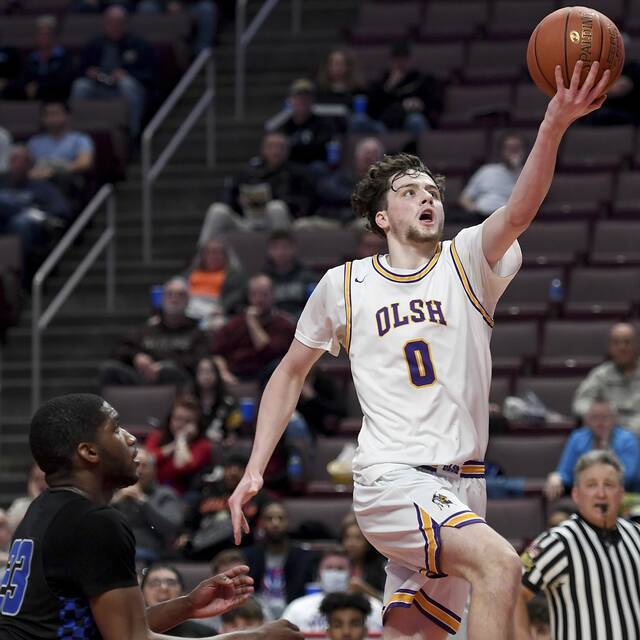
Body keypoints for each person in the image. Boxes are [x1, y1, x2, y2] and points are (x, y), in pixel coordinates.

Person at [228, 59, 611, 640]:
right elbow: (289, 374)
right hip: (393, 478)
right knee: (502, 563)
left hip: (464, 485)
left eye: (432, 191)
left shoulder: (467, 262)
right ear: (383, 215)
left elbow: (521, 209)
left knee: (416, 630)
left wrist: (552, 126)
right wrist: (254, 468)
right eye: (410, 192)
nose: (427, 199)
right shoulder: (345, 283)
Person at [0, 393, 304, 640]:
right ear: (89, 452)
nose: (132, 438)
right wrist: (253, 638)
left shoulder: (40, 510)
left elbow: (105, 627)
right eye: (116, 428)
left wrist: (186, 605)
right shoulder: (94, 522)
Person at [514, 450, 640, 640]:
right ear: (575, 494)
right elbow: (514, 590)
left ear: (621, 493)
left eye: (609, 484)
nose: (601, 493)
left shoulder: (636, 535)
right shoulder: (556, 542)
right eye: (591, 485)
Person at [198, 132, 311, 243]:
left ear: (287, 151)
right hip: (249, 220)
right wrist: (237, 201)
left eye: (280, 147)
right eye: (271, 147)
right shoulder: (249, 170)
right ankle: (201, 255)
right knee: (217, 210)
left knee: (276, 207)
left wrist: (272, 197)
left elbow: (304, 203)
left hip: (278, 222)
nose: (276, 151)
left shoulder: (297, 173)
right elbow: (228, 192)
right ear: (263, 150)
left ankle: (281, 254)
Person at [100, 276, 210, 389]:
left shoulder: (197, 333)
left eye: (180, 295)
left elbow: (199, 361)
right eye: (169, 294)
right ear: (162, 299)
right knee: (109, 369)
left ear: (188, 301)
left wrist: (161, 366)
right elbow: (119, 350)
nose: (174, 299)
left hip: (177, 386)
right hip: (143, 382)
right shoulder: (146, 330)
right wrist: (136, 357)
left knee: (168, 370)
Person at [70, 5, 156, 137]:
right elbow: (78, 71)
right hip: (99, 85)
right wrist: (90, 73)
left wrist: (127, 74)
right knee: (80, 86)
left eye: (119, 23)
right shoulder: (94, 44)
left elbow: (149, 75)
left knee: (127, 84)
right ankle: (75, 131)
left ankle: (133, 133)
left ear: (126, 24)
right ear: (105, 24)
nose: (115, 27)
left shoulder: (139, 45)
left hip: (123, 88)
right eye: (110, 23)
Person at [180, 450, 271, 560]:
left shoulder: (257, 494)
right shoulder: (208, 491)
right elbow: (190, 521)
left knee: (231, 525)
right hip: (205, 546)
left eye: (239, 468)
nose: (233, 472)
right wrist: (185, 534)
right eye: (229, 467)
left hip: (241, 548)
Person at [0, 145, 72, 279]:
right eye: (12, 160)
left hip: (29, 231)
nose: (14, 164)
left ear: (28, 164)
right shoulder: (2, 183)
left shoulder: (41, 187)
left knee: (21, 221)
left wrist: (41, 213)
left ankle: (21, 281)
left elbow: (62, 209)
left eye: (18, 160)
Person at [544, 399, 640, 499]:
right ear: (586, 420)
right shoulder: (578, 438)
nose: (600, 423)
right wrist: (558, 477)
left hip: (624, 497)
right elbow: (566, 472)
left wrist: (605, 448)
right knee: (562, 513)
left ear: (614, 419)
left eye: (605, 417)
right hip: (586, 498)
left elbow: (628, 477)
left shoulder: (627, 439)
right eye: (595, 418)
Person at [212, 274, 296, 386]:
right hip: (236, 376)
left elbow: (267, 350)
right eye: (254, 294)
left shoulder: (284, 325)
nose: (259, 299)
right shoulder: (235, 324)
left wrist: (252, 323)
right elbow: (217, 353)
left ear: (273, 295)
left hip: (269, 379)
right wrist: (224, 373)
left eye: (264, 294)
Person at [242, 501, 318, 618]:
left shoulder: (304, 558)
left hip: (294, 614)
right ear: (261, 523)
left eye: (280, 518)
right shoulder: (249, 556)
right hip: (257, 617)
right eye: (269, 518)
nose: (275, 523)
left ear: (288, 522)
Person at [280, 549, 383, 634]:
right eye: (329, 568)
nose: (334, 572)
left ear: (351, 573)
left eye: (340, 569)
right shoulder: (298, 608)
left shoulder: (374, 607)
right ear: (319, 573)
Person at [112, 448, 185, 563]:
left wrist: (143, 501)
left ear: (154, 470)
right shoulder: (113, 493)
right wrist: (116, 501)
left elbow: (171, 527)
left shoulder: (165, 494)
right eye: (134, 464)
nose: (139, 470)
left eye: (144, 466)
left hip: (153, 555)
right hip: (115, 552)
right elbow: (96, 522)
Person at [573, 322, 640, 433]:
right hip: (610, 437)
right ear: (610, 347)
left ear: (637, 345)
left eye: (627, 342)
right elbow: (580, 404)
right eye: (616, 343)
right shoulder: (600, 375)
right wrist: (601, 417)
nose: (622, 347)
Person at [366, 41, 441, 133]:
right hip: (386, 121)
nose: (400, 63)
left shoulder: (423, 80)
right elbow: (373, 109)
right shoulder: (382, 81)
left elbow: (435, 105)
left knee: (416, 120)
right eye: (397, 59)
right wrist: (389, 85)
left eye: (404, 59)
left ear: (411, 59)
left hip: (411, 119)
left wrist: (421, 105)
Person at [27, 101, 95, 202]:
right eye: (47, 114)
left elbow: (84, 163)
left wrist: (54, 172)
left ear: (67, 116)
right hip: (38, 180)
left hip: (68, 181)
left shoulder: (80, 139)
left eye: (55, 113)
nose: (51, 118)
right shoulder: (34, 142)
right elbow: (26, 167)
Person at [145, 395, 213, 495]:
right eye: (177, 419)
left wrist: (181, 439)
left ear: (197, 424)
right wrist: (173, 445)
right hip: (150, 490)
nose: (181, 424)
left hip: (181, 497)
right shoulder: (157, 436)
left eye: (188, 421)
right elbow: (148, 459)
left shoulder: (202, 445)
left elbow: (181, 465)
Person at [458, 133, 526, 223]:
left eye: (516, 149)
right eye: (509, 148)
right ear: (502, 151)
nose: (512, 152)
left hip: (506, 218)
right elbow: (464, 198)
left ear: (523, 151)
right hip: (479, 216)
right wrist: (473, 209)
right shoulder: (487, 170)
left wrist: (516, 171)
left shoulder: (527, 174)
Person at [315, 136, 385, 224]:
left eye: (373, 153)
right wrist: (359, 197)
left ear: (381, 160)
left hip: (361, 221)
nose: (369, 157)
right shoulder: (344, 175)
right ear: (356, 156)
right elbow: (326, 190)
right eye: (366, 153)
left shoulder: (383, 182)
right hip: (332, 217)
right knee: (303, 225)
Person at [187, 239, 247, 329]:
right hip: (189, 307)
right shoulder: (192, 272)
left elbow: (237, 295)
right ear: (203, 255)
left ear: (225, 256)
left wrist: (223, 308)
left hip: (215, 309)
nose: (213, 256)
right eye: (209, 252)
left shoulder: (233, 275)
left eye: (217, 253)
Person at [141, 564, 213, 637]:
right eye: (155, 583)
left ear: (182, 593)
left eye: (171, 583)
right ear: (142, 594)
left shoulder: (205, 634)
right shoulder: (131, 631)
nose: (163, 587)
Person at [277, 79, 336, 166]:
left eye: (306, 97)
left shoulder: (323, 123)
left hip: (314, 166)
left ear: (312, 100)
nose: (302, 100)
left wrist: (294, 149)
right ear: (291, 101)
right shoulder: (285, 125)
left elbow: (319, 150)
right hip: (291, 166)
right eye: (299, 97)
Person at [263, 231, 317, 318]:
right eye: (275, 248)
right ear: (269, 251)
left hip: (301, 324)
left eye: (285, 247)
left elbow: (316, 305)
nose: (280, 252)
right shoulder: (263, 278)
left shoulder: (307, 276)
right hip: (271, 325)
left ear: (294, 249)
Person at [19, 15, 74, 101]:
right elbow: (24, 79)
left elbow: (64, 82)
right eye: (40, 34)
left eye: (46, 34)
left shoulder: (65, 57)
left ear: (54, 36)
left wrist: (39, 86)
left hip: (58, 99)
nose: (43, 38)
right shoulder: (30, 58)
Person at [193, 356, 242, 444]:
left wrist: (231, 437)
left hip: (222, 443)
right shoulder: (190, 400)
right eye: (202, 372)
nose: (206, 376)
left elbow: (235, 426)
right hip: (197, 443)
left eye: (210, 371)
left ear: (217, 374)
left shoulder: (228, 400)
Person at [340, 515, 386, 601]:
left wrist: (365, 589)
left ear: (368, 542)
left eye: (358, 538)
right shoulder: (335, 563)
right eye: (347, 537)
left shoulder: (380, 566)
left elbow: (388, 601)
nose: (351, 543)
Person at [6, 463, 47, 533]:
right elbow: (10, 529)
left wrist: (38, 500)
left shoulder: (55, 503)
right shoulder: (20, 505)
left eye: (43, 479)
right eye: (36, 479)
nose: (41, 484)